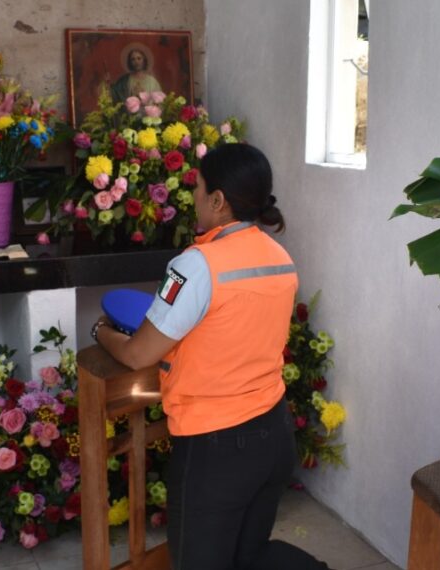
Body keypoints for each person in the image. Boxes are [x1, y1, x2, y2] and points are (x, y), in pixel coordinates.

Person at [92, 143, 330, 570]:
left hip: (217, 449)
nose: (193, 199)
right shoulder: (280, 258)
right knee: (247, 556)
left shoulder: (197, 265)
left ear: (218, 200)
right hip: (273, 435)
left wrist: (101, 332)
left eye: (198, 189)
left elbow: (137, 353)